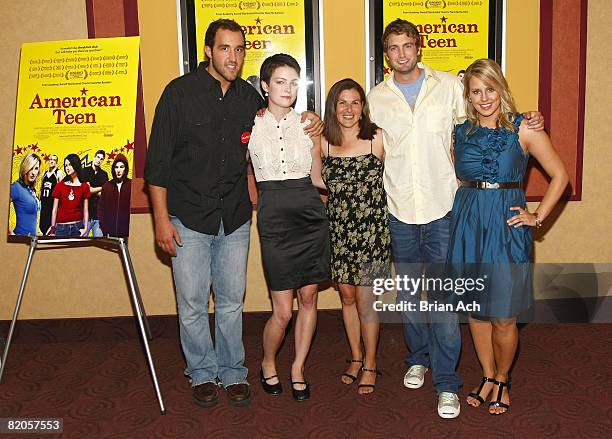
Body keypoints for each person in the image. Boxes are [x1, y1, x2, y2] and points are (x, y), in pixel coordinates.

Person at [366, 18, 544, 418]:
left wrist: (530, 120)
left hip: (447, 210)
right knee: (410, 294)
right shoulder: (376, 98)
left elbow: (489, 112)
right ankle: (418, 358)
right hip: (400, 209)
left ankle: (447, 381)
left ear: (419, 46)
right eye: (393, 47)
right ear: (386, 54)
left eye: (407, 45)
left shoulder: (449, 87)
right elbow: (357, 136)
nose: (401, 53)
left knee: (446, 298)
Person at [144, 19, 322, 409]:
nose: (233, 56)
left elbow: (280, 125)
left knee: (230, 301)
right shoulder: (178, 94)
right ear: (208, 51)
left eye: (239, 49)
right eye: (225, 48)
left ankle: (233, 371)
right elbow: (156, 164)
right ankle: (203, 372)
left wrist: (314, 121)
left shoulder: (249, 101)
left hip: (235, 217)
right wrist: (159, 218)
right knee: (191, 303)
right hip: (187, 216)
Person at [447, 58, 568, 415]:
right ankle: (486, 375)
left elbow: (560, 176)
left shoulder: (524, 129)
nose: (484, 97)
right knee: (477, 312)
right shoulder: (459, 132)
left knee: (503, 314)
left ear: (501, 88)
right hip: (468, 222)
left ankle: (502, 378)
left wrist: (537, 216)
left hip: (505, 225)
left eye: (490, 89)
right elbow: (457, 178)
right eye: (476, 91)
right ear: (468, 97)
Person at [250, 53, 330, 402]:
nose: (288, 88)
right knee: (282, 311)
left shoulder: (308, 125)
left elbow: (317, 178)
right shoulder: (250, 125)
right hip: (274, 219)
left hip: (310, 217)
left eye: (294, 82)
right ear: (265, 86)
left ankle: (298, 367)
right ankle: (268, 362)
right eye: (280, 82)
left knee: (309, 298)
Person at [320, 78, 389, 395]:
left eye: (355, 102)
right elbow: (316, 182)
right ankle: (356, 357)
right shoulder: (323, 141)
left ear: (364, 107)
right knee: (346, 298)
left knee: (366, 303)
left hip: (372, 234)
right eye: (342, 102)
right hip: (339, 233)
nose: (349, 109)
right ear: (333, 106)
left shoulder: (377, 138)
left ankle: (371, 363)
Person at [49, 153, 90, 237]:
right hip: (61, 227)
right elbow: (54, 209)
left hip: (77, 226)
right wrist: (53, 229)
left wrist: (85, 228)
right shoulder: (60, 185)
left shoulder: (84, 186)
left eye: (70, 165)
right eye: (66, 165)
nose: (67, 168)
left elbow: (86, 210)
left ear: (76, 165)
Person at [98, 154, 131, 238]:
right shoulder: (106, 186)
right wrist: (105, 230)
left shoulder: (131, 185)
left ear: (125, 169)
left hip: (127, 234)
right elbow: (101, 209)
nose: (118, 170)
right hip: (110, 233)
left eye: (121, 167)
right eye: (116, 167)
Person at [10, 153, 41, 236]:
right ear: (25, 168)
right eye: (31, 168)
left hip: (32, 239)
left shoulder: (32, 189)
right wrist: (10, 233)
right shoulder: (16, 187)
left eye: (36, 168)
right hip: (20, 238)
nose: (33, 172)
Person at [82, 149, 109, 237]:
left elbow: (104, 194)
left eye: (101, 159)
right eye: (98, 157)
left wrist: (94, 189)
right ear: (94, 157)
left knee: (99, 242)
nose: (99, 160)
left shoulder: (104, 174)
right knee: (80, 241)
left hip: (99, 215)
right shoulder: (85, 171)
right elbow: (88, 190)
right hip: (86, 214)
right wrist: (102, 188)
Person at [39, 154, 64, 235]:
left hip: (52, 202)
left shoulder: (58, 173)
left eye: (54, 160)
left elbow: (63, 189)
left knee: (51, 223)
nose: (52, 161)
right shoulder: (44, 173)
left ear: (56, 162)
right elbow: (41, 188)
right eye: (50, 159)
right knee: (43, 223)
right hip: (44, 201)